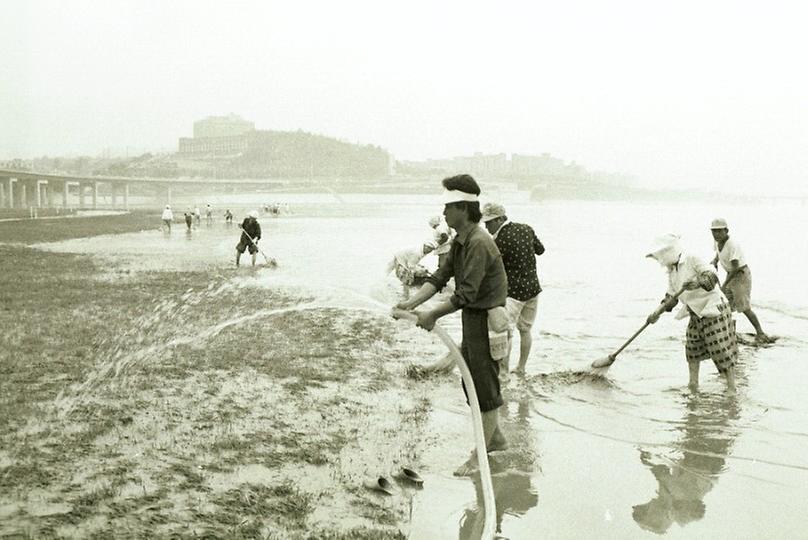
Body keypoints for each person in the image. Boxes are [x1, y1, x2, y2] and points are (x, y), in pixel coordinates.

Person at [396, 174, 509, 476]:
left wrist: (432, 316)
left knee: (483, 385)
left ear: (462, 208)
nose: (444, 214)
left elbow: (467, 293)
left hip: (487, 320)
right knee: (469, 380)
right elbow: (439, 278)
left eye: (448, 208)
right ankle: (495, 438)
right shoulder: (461, 240)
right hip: (472, 318)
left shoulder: (479, 242)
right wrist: (411, 304)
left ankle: (480, 456)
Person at [645, 233, 737, 393]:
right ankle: (693, 384)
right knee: (692, 349)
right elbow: (671, 298)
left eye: (660, 256)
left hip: (714, 309)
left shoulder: (691, 259)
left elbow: (712, 275)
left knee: (720, 349)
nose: (660, 261)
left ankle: (731, 388)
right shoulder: (672, 272)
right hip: (695, 312)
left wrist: (696, 283)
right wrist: (656, 313)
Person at [482, 202, 545, 378]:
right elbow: (540, 250)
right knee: (525, 330)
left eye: (489, 222)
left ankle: (503, 373)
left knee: (505, 331)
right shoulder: (527, 228)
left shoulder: (498, 241)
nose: (486, 227)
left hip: (513, 293)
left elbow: (491, 269)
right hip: (533, 288)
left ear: (501, 219)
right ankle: (521, 368)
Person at [709, 218, 771, 344]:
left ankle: (760, 333)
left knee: (744, 307)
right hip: (731, 275)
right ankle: (730, 332)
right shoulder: (717, 241)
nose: (716, 234)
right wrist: (715, 260)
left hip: (740, 275)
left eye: (719, 231)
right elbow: (718, 253)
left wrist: (724, 284)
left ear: (726, 230)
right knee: (725, 305)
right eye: (714, 231)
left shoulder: (732, 245)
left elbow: (735, 268)